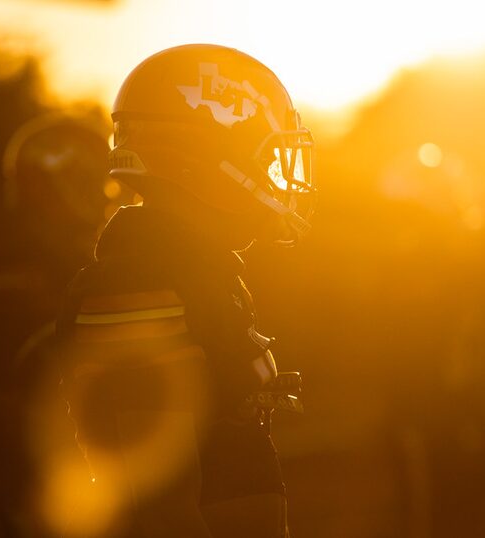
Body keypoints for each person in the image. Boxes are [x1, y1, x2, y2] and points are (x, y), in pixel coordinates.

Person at [55, 44, 314, 537]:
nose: (276, 179)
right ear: (209, 158)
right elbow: (154, 505)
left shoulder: (191, 269)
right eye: (264, 157)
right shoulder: (137, 284)